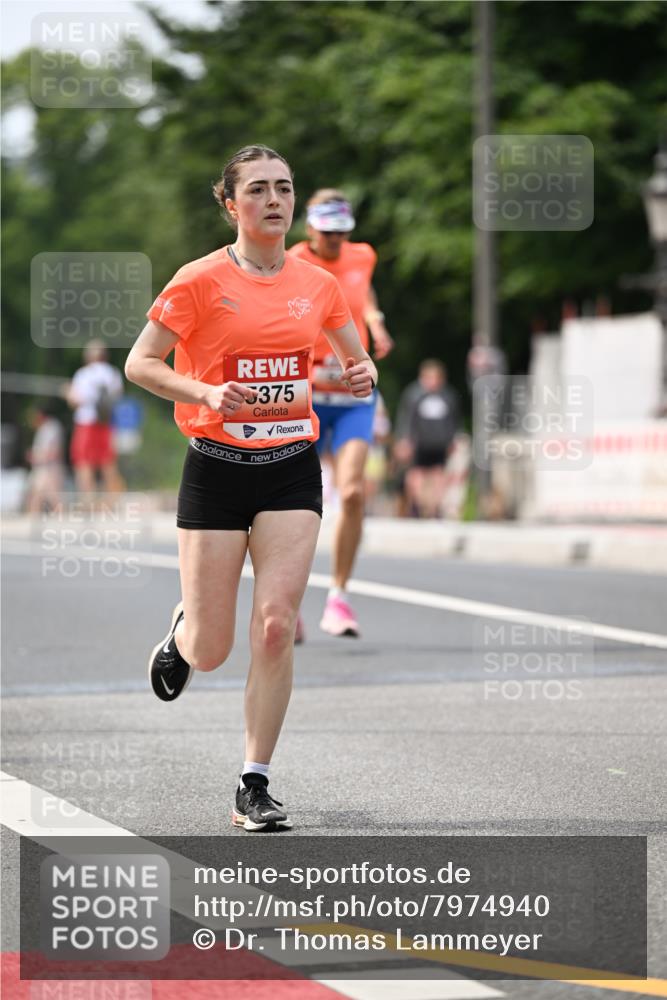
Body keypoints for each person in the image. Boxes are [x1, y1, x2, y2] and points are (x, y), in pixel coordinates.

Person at [124, 145, 377, 832]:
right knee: (214, 649)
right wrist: (205, 389)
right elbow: (140, 363)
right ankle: (184, 634)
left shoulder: (317, 283)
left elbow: (359, 363)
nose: (274, 200)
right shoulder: (199, 280)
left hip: (291, 465)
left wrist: (361, 377)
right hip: (215, 465)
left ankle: (253, 782)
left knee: (274, 628)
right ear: (231, 203)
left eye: (284, 189)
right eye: (259, 189)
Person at [288, 190, 393, 638]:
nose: (335, 241)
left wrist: (374, 321)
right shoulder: (292, 261)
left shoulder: (362, 255)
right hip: (305, 394)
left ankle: (339, 598)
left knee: (351, 493)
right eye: (327, 233)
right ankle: (286, 601)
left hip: (352, 392)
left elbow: (361, 289)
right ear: (311, 228)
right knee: (291, 501)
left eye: (341, 233)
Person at [394, 359, 461, 518]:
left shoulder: (447, 396)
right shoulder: (414, 394)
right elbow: (406, 418)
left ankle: (434, 508)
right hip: (418, 443)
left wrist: (453, 439)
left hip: (439, 443)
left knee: (438, 475)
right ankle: (417, 506)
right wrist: (404, 440)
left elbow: (453, 420)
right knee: (416, 475)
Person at [66, 340, 124, 494]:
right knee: (107, 462)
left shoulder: (84, 374)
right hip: (106, 422)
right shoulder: (113, 373)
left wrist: (67, 392)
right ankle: (113, 500)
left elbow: (75, 400)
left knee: (83, 462)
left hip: (85, 422)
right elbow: (117, 396)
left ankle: (87, 500)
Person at [24, 401, 66, 513]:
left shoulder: (52, 428)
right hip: (42, 468)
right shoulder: (43, 428)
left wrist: (37, 457)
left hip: (49, 468)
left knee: (52, 497)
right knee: (35, 496)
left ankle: (62, 520)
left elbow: (55, 451)